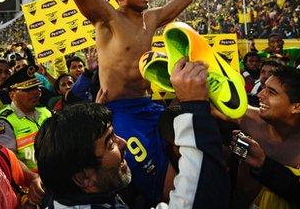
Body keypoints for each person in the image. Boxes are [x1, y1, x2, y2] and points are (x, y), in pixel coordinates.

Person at [24, 0, 192, 204]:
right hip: (120, 115)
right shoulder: (107, 19)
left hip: (152, 108)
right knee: (158, 187)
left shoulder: (154, 18)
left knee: (181, 169)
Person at [34, 58, 230, 208]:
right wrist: (195, 109)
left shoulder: (62, 188)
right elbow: (198, 200)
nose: (124, 143)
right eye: (110, 143)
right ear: (84, 178)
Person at [220, 65, 300, 208]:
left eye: (271, 92)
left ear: (296, 107)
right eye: (264, 87)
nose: (260, 95)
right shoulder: (245, 118)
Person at [0, 65, 52, 172]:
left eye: (36, 87)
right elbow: (6, 161)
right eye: (27, 89)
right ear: (12, 95)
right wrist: (31, 178)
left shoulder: (46, 112)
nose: (35, 92)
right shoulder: (2, 123)